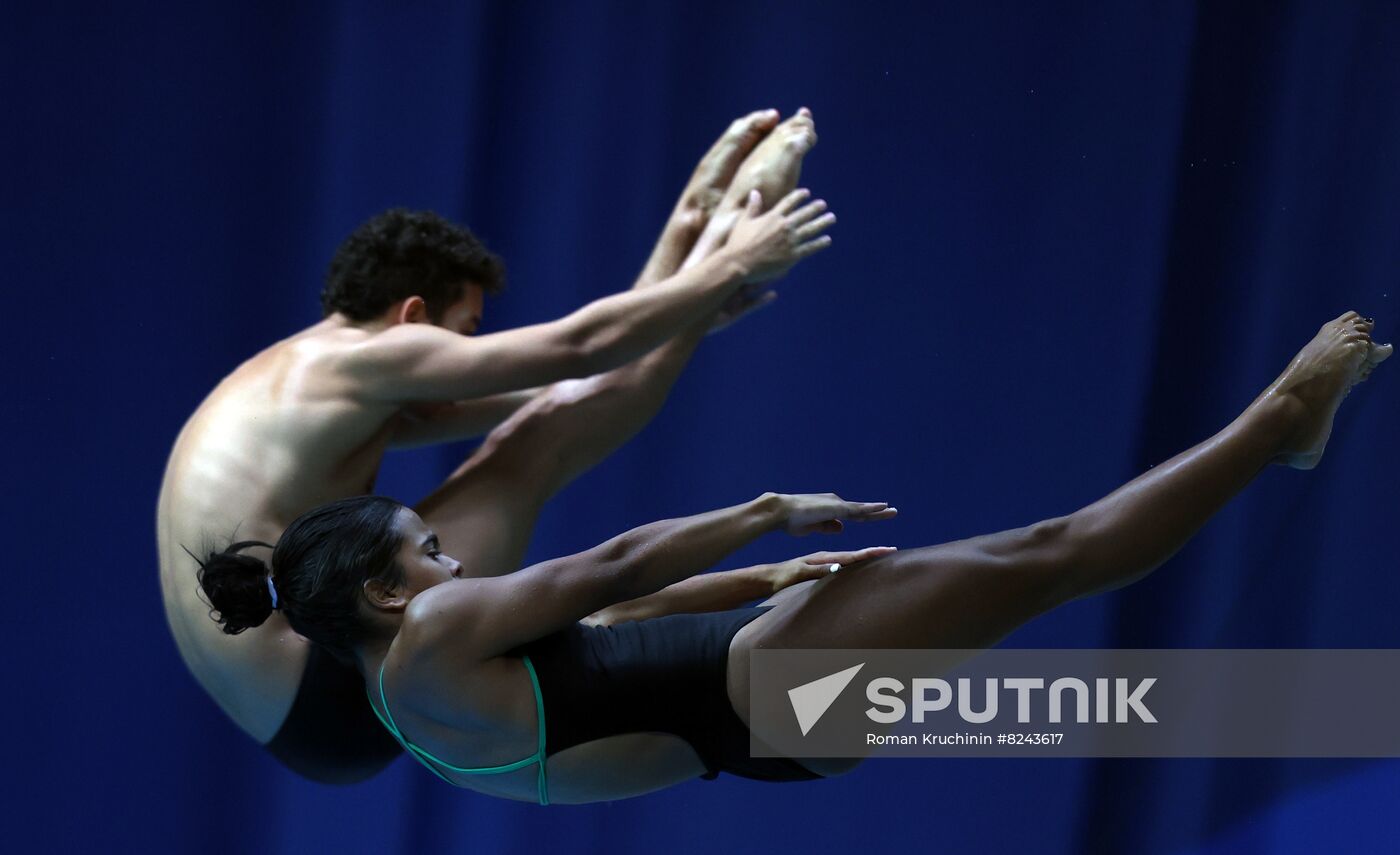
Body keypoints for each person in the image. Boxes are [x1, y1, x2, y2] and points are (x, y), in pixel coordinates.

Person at [198, 313, 1390, 804]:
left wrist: (757, 582)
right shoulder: (432, 637)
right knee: (1050, 554)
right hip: (770, 691)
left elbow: (619, 635)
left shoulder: (407, 704)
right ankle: (1278, 425)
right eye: (428, 548)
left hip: (764, 705)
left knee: (1044, 615)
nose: (452, 562)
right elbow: (610, 567)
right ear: (384, 588)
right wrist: (766, 510)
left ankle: (1339, 692)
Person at [159, 107, 832, 783]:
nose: (471, 355)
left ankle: (704, 231)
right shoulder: (356, 360)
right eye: (468, 332)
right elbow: (580, 351)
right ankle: (720, 233)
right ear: (414, 317)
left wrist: (686, 288)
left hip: (297, 714)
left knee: (537, 436)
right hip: (331, 683)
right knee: (533, 452)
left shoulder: (295, 382)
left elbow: (576, 386)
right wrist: (734, 261)